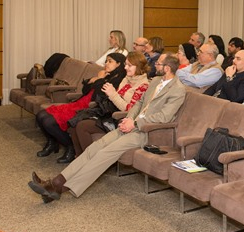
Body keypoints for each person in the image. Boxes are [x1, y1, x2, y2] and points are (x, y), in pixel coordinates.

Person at [28, 54, 187, 203]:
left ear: (167, 68)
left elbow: (164, 117)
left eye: (158, 64)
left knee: (105, 152)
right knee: (95, 147)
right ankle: (56, 183)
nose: (155, 65)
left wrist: (135, 123)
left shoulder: (178, 89)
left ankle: (58, 187)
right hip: (132, 124)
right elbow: (139, 103)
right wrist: (129, 118)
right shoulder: (156, 81)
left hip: (148, 131)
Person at [35, 53, 127, 163]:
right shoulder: (107, 75)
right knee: (40, 115)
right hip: (80, 102)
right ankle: (52, 143)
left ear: (118, 64)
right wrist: (94, 80)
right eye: (106, 61)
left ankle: (70, 147)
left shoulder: (119, 80)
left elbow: (99, 96)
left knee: (48, 121)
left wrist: (99, 79)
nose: (106, 63)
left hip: (90, 107)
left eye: (110, 61)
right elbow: (85, 91)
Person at [69, 52, 151, 155]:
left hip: (120, 118)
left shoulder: (143, 86)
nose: (125, 67)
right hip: (110, 113)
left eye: (129, 65)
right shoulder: (126, 79)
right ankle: (79, 158)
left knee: (81, 126)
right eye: (125, 64)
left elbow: (130, 110)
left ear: (138, 66)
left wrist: (112, 94)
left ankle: (90, 158)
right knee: (74, 123)